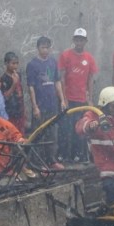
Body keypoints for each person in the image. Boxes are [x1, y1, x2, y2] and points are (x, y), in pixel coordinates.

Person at [58, 27, 98, 163]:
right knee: (65, 128)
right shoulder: (66, 55)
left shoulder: (89, 58)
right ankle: (63, 155)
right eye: (77, 39)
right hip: (68, 99)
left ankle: (78, 154)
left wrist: (90, 99)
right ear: (74, 40)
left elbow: (90, 79)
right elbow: (62, 78)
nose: (79, 42)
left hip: (82, 100)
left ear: (85, 41)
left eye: (82, 40)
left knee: (79, 128)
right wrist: (63, 99)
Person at [26, 36, 66, 170]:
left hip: (52, 105)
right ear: (38, 48)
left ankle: (52, 160)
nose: (45, 50)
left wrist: (62, 100)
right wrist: (35, 107)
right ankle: (38, 163)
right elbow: (31, 87)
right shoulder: (32, 65)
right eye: (42, 47)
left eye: (47, 47)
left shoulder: (53, 62)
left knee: (53, 134)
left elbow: (57, 82)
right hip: (40, 106)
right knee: (39, 134)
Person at [1, 52, 26, 134]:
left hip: (20, 109)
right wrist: (14, 84)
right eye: (13, 63)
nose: (15, 66)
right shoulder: (4, 79)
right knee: (12, 133)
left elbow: (20, 92)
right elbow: (5, 96)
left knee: (21, 133)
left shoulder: (18, 75)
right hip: (11, 111)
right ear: (6, 63)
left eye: (17, 63)